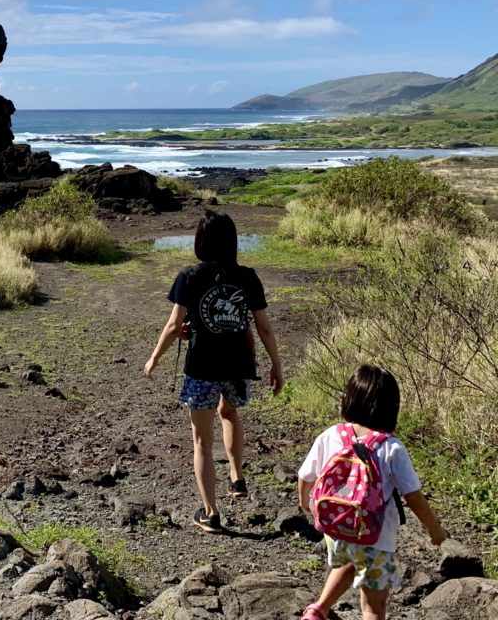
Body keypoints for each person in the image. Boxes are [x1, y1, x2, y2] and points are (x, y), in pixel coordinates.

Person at [144, 210, 283, 533]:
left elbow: (173, 324)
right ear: (232, 242)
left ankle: (211, 513)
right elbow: (263, 328)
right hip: (238, 365)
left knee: (201, 442)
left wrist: (154, 358)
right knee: (230, 413)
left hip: (202, 367)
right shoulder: (248, 276)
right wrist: (277, 364)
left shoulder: (190, 276)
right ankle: (236, 476)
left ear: (200, 241)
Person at [297, 364, 447, 620]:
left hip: (336, 529)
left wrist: (307, 506)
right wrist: (435, 529)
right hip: (376, 537)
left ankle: (318, 610)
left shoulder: (331, 435)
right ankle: (322, 608)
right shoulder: (392, 448)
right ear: (391, 407)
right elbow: (414, 497)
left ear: (350, 398)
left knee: (349, 559)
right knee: (372, 608)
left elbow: (304, 477)